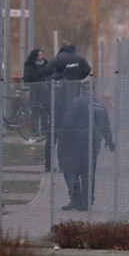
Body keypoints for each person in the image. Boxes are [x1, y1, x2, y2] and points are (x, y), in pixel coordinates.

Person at [57, 82, 114, 211]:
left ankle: (75, 198)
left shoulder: (75, 102)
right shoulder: (99, 105)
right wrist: (109, 141)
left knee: (71, 170)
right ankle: (87, 201)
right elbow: (105, 125)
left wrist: (63, 140)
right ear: (93, 91)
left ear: (81, 90)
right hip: (93, 143)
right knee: (88, 172)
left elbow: (68, 123)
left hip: (75, 142)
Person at [47, 42, 92, 172]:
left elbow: (46, 71)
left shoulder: (58, 59)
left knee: (57, 136)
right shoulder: (79, 58)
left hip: (58, 108)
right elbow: (88, 70)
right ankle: (71, 164)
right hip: (73, 102)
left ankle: (53, 164)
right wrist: (78, 78)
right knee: (70, 136)